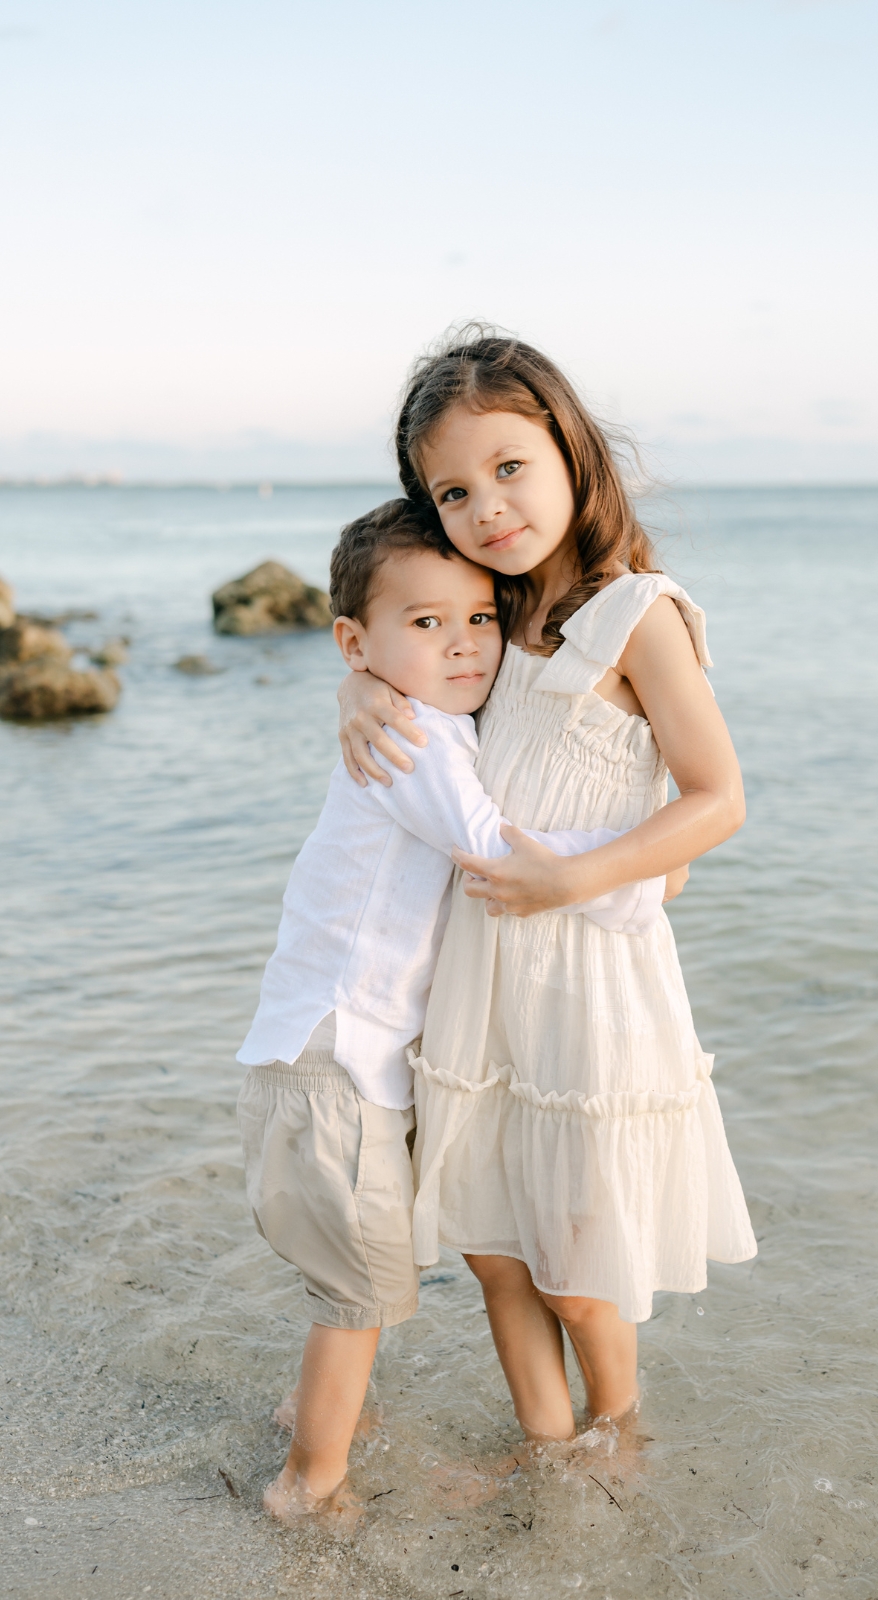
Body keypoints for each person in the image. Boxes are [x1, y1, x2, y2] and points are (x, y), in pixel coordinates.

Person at [334, 329, 757, 1464]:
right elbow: (403, 651)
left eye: (510, 467)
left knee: (577, 1259)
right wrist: (356, 689)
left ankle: (618, 1442)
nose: (488, 507)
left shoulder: (636, 614)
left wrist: (574, 874)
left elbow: (717, 799)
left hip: (584, 978)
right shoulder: (487, 616)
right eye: (454, 490)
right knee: (491, 1243)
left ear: (570, 449)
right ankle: (543, 1446)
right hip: (480, 976)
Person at [237, 500, 671, 1523]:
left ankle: (315, 1418)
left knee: (362, 1278)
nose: (466, 643)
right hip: (332, 1060)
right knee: (362, 1297)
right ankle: (309, 1483)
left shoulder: (429, 715)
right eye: (427, 625)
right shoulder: (417, 739)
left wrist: (362, 674)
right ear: (357, 642)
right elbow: (491, 846)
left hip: (332, 1059)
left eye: (479, 618)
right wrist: (646, 872)